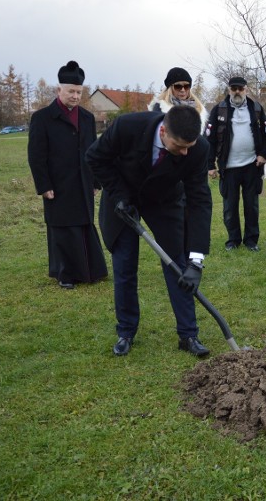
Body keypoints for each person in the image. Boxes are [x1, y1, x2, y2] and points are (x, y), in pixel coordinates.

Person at [86, 104, 212, 358]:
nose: (186, 153)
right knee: (124, 265)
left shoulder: (198, 149)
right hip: (122, 201)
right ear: (163, 131)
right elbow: (95, 158)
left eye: (190, 146)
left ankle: (188, 334)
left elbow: (199, 201)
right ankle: (126, 332)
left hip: (164, 201)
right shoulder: (128, 126)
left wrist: (196, 261)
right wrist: (119, 196)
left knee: (177, 264)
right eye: (180, 146)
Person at [28, 60, 107, 289]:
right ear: (58, 90)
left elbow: (94, 151)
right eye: (71, 91)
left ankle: (89, 271)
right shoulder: (42, 118)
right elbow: (36, 155)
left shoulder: (87, 118)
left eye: (79, 92)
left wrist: (96, 181)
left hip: (82, 182)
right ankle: (66, 274)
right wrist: (43, 185)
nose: (75, 96)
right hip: (57, 184)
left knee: (83, 223)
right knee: (62, 228)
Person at [206, 76, 266, 251]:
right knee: (230, 207)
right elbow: (210, 140)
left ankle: (251, 240)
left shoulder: (256, 108)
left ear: (246, 90)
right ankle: (233, 240)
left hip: (252, 165)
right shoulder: (219, 110)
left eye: (240, 89)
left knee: (252, 205)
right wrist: (210, 165)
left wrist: (263, 155)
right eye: (233, 88)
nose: (237, 92)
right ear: (228, 90)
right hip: (228, 166)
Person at [148, 67, 208, 134]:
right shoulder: (160, 108)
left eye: (186, 86)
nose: (183, 90)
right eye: (178, 86)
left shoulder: (200, 110)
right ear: (170, 88)